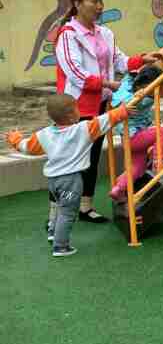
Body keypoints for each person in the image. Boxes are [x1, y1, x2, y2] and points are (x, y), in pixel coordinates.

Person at [54, 0, 163, 226]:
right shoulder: (68, 35)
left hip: (100, 103)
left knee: (92, 157)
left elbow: (119, 60)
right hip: (75, 106)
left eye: (100, 1)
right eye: (93, 1)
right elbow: (75, 73)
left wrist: (142, 59)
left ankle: (86, 206)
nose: (99, 6)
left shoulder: (104, 33)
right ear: (77, 4)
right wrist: (107, 84)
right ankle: (57, 212)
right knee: (71, 159)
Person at [5, 93, 132, 257]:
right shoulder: (82, 129)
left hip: (53, 181)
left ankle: (53, 232)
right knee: (68, 213)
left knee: (60, 207)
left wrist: (14, 139)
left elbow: (26, 146)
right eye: (77, 108)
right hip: (71, 181)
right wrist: (123, 110)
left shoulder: (43, 134)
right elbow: (105, 120)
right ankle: (60, 246)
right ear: (72, 115)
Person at [109, 64, 163, 202]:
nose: (158, 92)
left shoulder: (127, 87)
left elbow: (125, 85)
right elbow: (131, 102)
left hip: (127, 139)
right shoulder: (144, 99)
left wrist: (132, 75)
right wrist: (138, 96)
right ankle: (159, 162)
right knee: (162, 132)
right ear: (146, 85)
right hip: (135, 137)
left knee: (137, 167)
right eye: (157, 88)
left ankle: (118, 188)